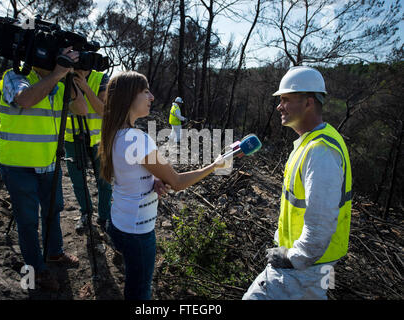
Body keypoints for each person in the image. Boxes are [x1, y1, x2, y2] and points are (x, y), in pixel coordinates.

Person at [99, 71, 229, 300]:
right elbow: (177, 182)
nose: (152, 97)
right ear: (129, 96)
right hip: (137, 232)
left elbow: (131, 173)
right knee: (139, 292)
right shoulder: (137, 138)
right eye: (145, 91)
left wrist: (153, 180)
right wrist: (215, 165)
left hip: (118, 222)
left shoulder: (115, 133)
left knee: (134, 280)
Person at [243, 66, 352, 300]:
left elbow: (320, 221)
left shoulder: (320, 151)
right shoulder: (311, 142)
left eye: (286, 99)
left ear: (309, 103)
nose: (279, 106)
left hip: (304, 267)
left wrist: (292, 258)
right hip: (315, 265)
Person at [0, 47, 87, 291]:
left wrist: (72, 78)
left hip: (48, 162)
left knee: (53, 210)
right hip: (18, 164)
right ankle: (35, 269)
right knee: (27, 220)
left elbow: (81, 109)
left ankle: (54, 252)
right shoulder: (15, 76)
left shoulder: (59, 83)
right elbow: (25, 99)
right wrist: (58, 73)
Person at [64, 69, 113, 232]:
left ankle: (104, 217)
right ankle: (86, 212)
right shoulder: (63, 73)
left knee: (104, 180)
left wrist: (85, 87)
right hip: (71, 138)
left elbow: (103, 110)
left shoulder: (101, 78)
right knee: (78, 181)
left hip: (98, 139)